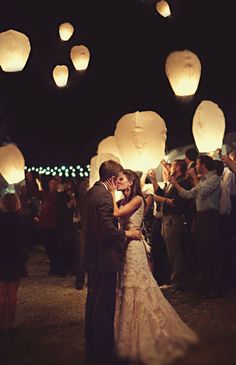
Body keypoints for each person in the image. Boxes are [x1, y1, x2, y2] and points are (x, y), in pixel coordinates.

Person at [107, 169, 198, 365]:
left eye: (121, 179)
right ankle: (125, 334)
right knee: (123, 286)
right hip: (125, 246)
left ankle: (148, 332)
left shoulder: (138, 200)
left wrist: (110, 193)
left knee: (137, 286)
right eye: (117, 180)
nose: (118, 182)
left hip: (134, 249)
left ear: (131, 182)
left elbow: (115, 213)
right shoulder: (123, 200)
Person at [82, 160, 142, 365]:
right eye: (117, 179)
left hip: (91, 256)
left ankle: (91, 346)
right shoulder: (105, 196)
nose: (118, 183)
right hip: (104, 257)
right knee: (104, 306)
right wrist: (127, 233)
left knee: (92, 304)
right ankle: (104, 352)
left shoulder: (90, 193)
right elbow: (108, 230)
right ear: (112, 179)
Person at [0, 193, 28, 335]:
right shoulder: (21, 220)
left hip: (2, 257)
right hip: (16, 257)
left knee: (1, 293)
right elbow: (26, 240)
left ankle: (1, 324)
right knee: (12, 293)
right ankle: (11, 323)